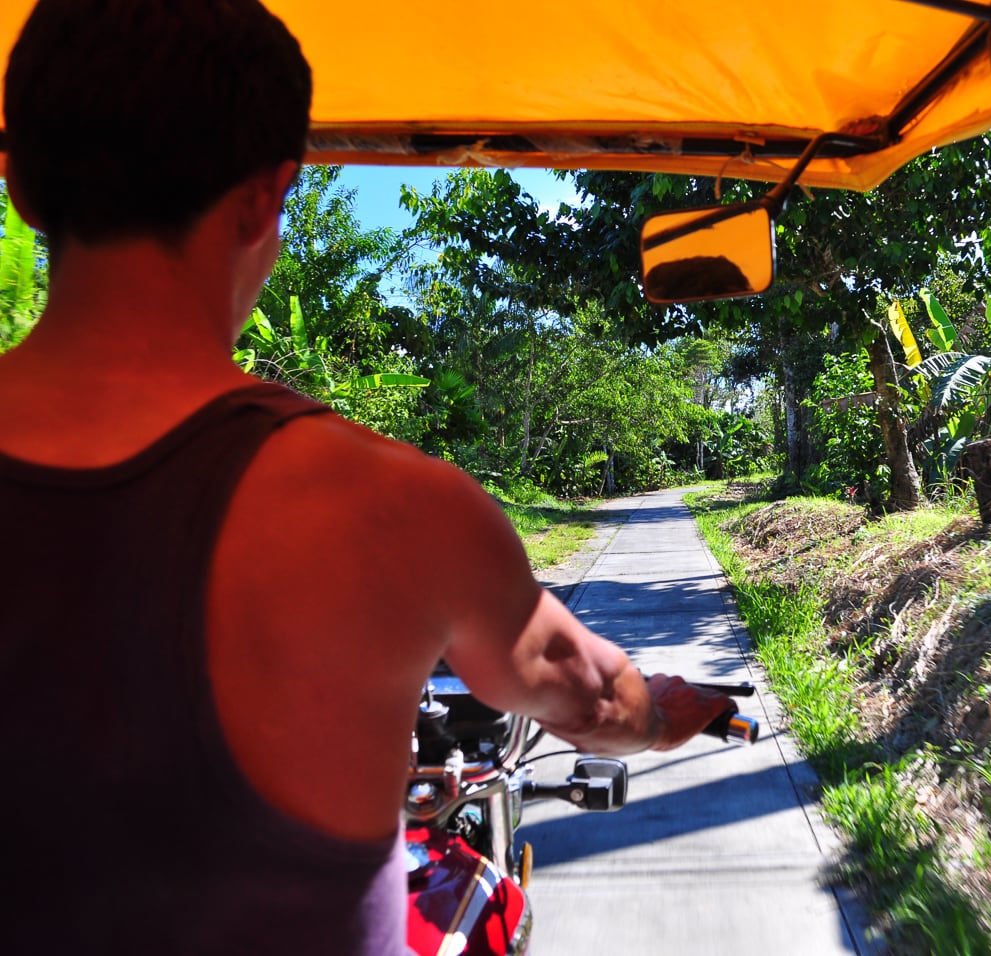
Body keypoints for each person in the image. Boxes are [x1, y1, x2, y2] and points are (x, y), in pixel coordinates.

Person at [0, 1, 731, 952]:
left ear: (16, 182)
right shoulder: (392, 510)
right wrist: (669, 712)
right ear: (269, 194)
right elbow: (594, 699)